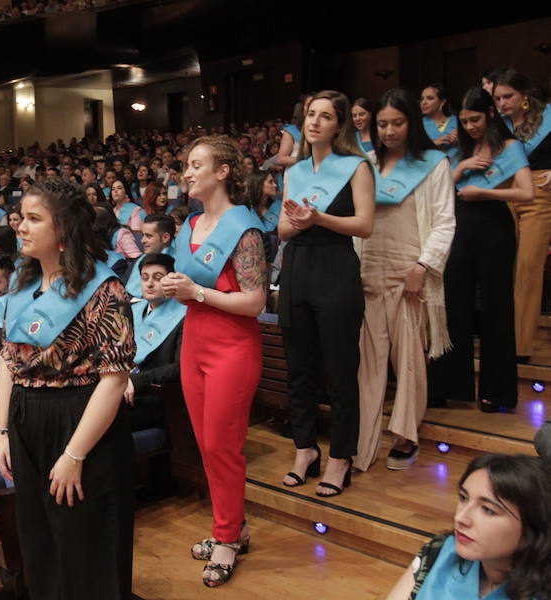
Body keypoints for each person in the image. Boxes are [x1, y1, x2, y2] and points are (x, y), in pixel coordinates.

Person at [0, 178, 136, 599]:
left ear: (64, 230)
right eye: (21, 217)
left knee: (85, 538)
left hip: (79, 419)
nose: (21, 226)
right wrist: (1, 431)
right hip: (24, 418)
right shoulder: (20, 285)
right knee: (39, 536)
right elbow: (7, 364)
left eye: (34, 219)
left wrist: (74, 455)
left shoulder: (103, 289)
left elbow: (114, 379)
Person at [161, 135, 268, 587]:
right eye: (186, 165)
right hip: (194, 343)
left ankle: (225, 538)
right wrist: (167, 289)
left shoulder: (243, 226)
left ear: (223, 172)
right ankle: (234, 526)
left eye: (196, 165)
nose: (186, 172)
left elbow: (256, 300)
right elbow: (189, 288)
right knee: (206, 445)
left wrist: (197, 293)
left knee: (224, 447)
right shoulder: (188, 226)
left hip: (232, 348)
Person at [277, 91, 374, 498]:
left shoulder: (356, 167)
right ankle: (304, 450)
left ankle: (340, 457)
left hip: (335, 266)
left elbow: (365, 225)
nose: (314, 122)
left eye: (325, 116)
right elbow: (281, 231)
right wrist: (300, 223)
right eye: (310, 115)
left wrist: (319, 218)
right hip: (297, 265)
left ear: (339, 125)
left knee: (339, 370)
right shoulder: (294, 171)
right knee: (298, 369)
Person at [355, 89, 455, 472]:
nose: (390, 131)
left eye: (398, 122)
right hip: (368, 269)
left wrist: (423, 266)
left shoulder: (433, 163)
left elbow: (445, 221)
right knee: (368, 360)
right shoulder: (366, 163)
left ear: (412, 123)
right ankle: (364, 440)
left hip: (408, 269)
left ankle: (406, 434)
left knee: (409, 357)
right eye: (383, 124)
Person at [428, 88, 533, 413]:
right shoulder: (458, 149)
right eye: (465, 121)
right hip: (458, 223)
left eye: (476, 119)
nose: (471, 126)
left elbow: (526, 192)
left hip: (494, 226)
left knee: (497, 308)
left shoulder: (510, 146)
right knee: (452, 304)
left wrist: (486, 193)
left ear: (490, 114)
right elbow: (441, 189)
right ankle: (448, 386)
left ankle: (497, 393)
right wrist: (461, 169)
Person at [386, 453, 551, 600]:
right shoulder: (439, 551)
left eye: (488, 510)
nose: (460, 518)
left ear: (534, 525)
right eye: (464, 498)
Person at [492, 68, 551, 363]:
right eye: (498, 98)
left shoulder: (549, 117)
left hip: (540, 195)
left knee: (528, 267)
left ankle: (520, 346)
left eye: (508, 96)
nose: (502, 103)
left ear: (524, 95)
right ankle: (500, 339)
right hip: (502, 193)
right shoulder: (497, 126)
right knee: (501, 266)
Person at [126, 253, 185, 431]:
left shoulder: (185, 316)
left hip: (154, 398)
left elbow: (180, 367)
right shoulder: (133, 311)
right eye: (145, 278)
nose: (149, 283)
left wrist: (136, 381)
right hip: (119, 388)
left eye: (157, 278)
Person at [125, 213, 176, 297]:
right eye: (142, 235)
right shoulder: (139, 260)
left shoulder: (179, 266)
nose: (142, 240)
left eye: (148, 236)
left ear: (165, 237)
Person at [421, 84, 459, 152]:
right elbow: (410, 150)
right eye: (422, 99)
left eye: (429, 98)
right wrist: (433, 143)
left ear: (442, 102)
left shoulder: (458, 121)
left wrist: (461, 138)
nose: (423, 102)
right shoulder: (418, 124)